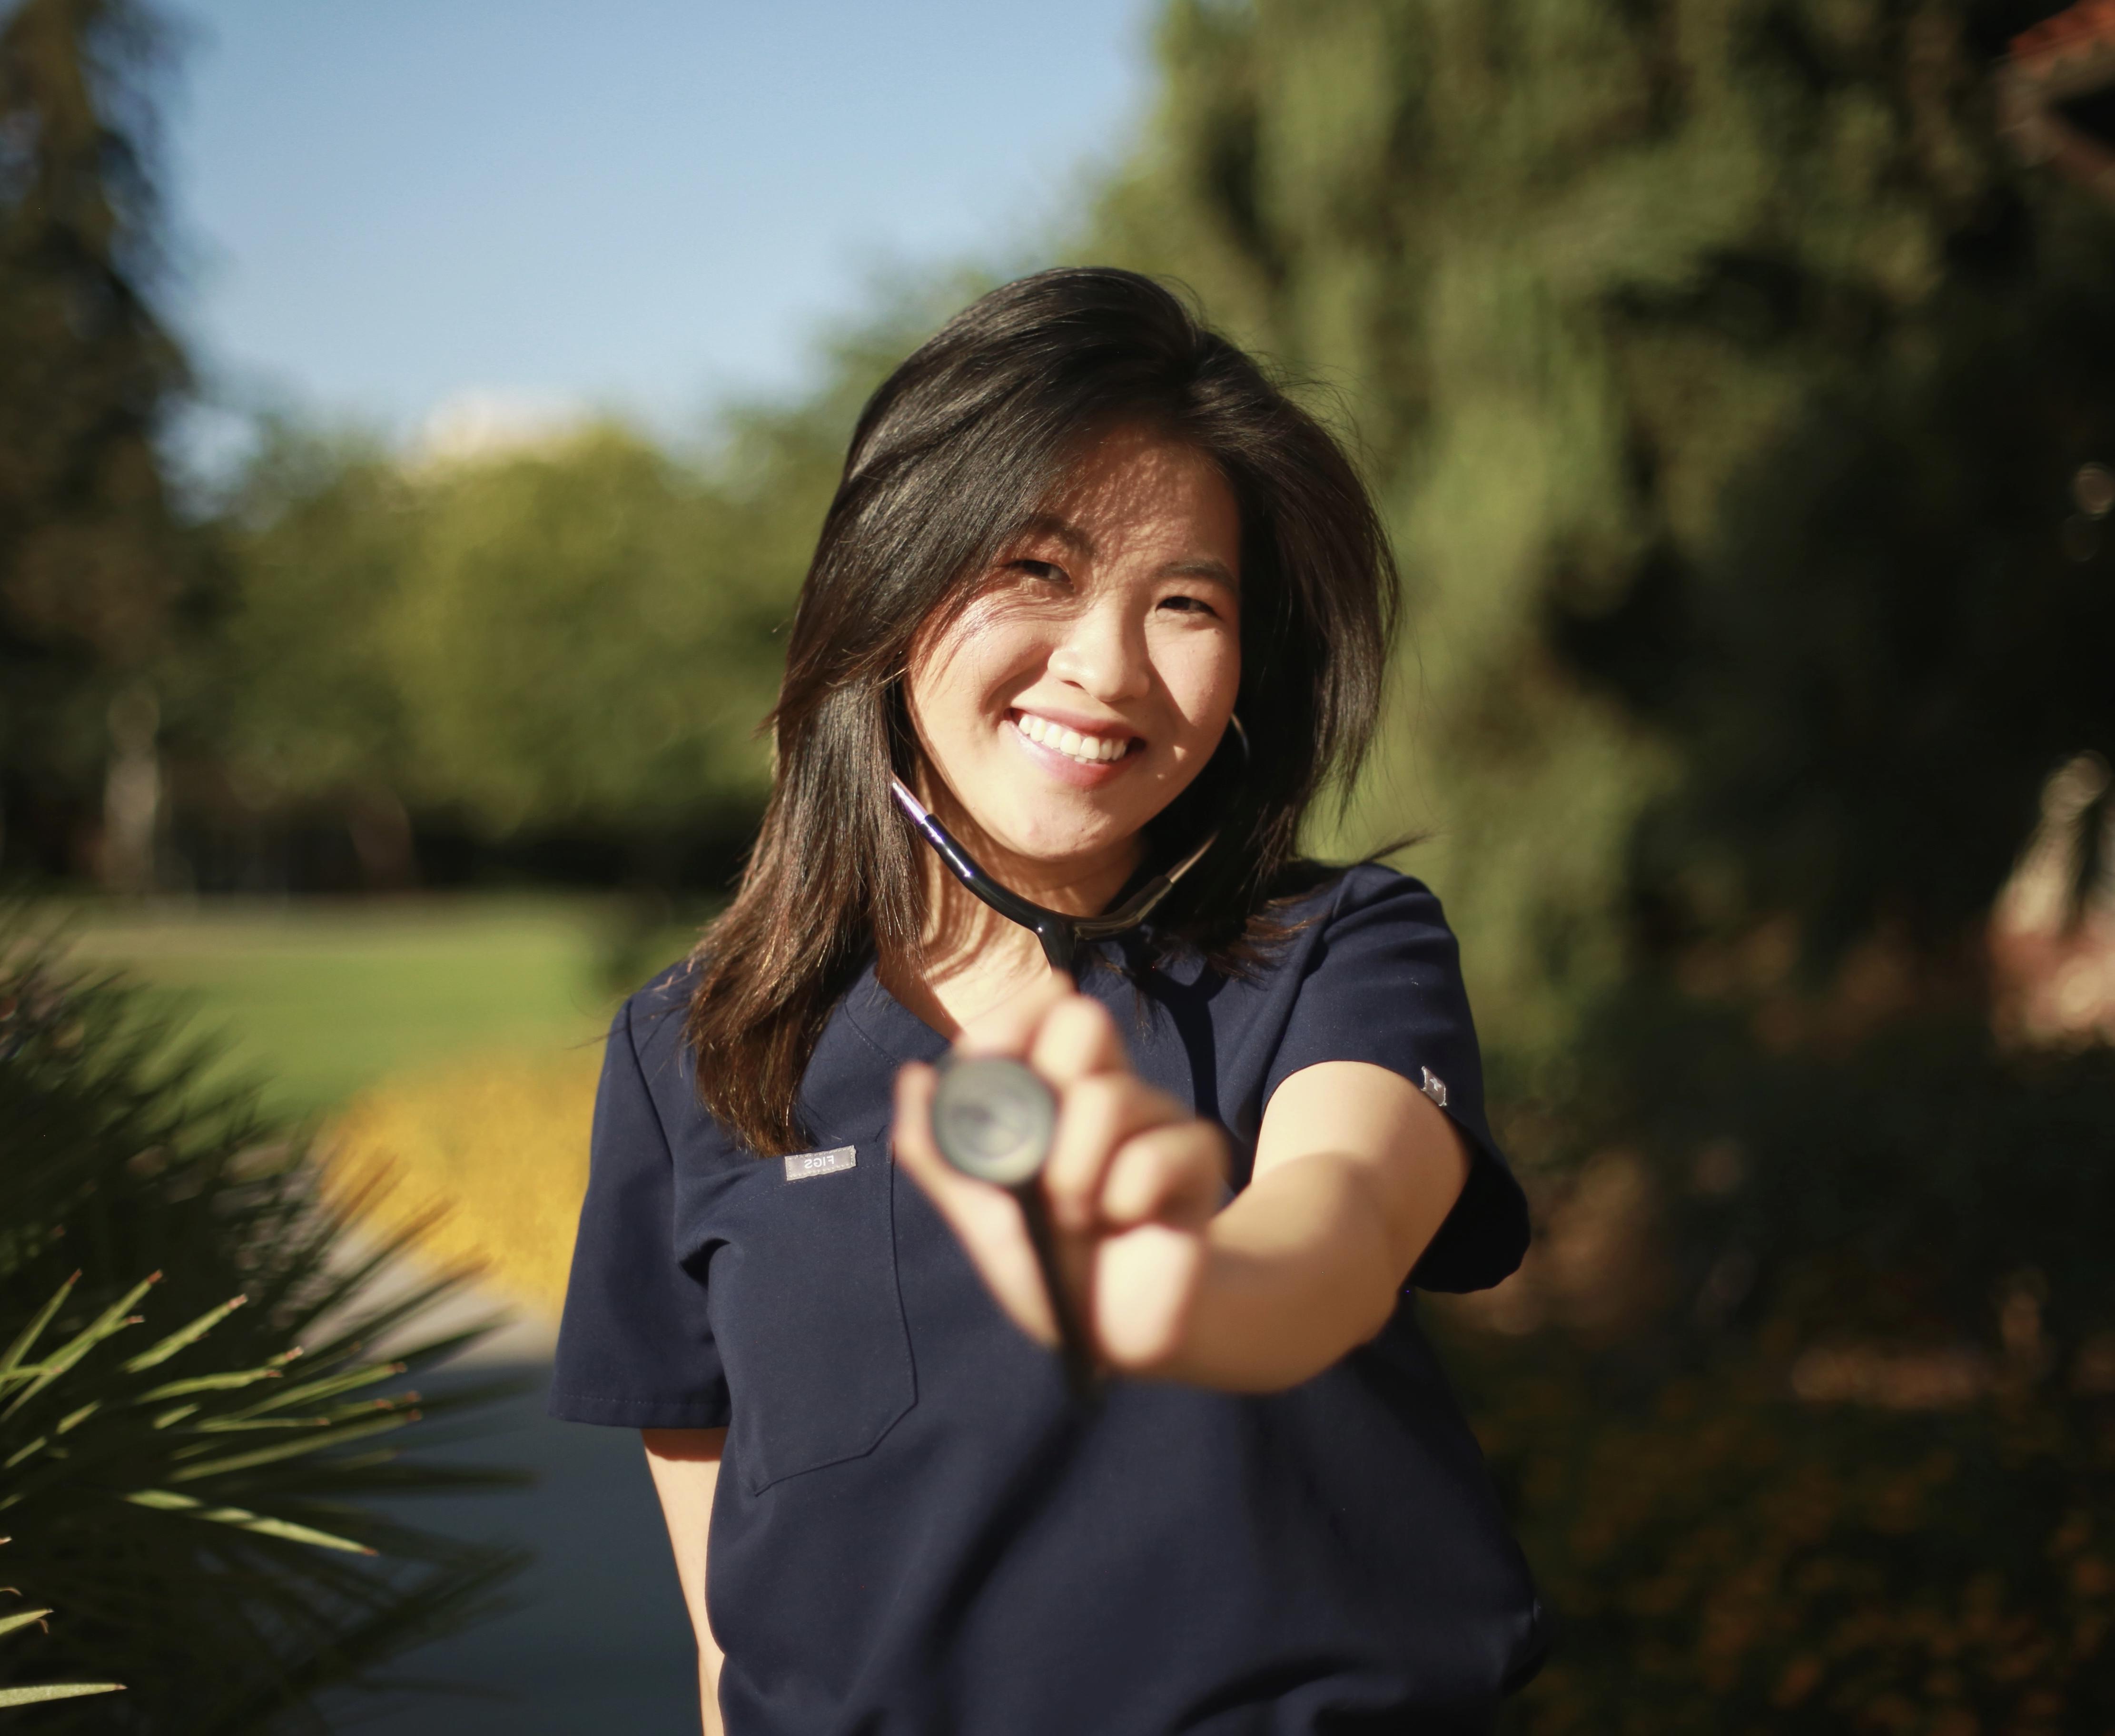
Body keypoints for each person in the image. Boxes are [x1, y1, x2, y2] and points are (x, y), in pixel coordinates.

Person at [549, 267, 1546, 1735]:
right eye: (1036, 569)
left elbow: (1334, 1234)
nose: (1105, 666)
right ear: (888, 589)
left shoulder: (1339, 952)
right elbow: (724, 1631)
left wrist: (1187, 1293)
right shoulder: (692, 1053)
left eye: (1186, 602)